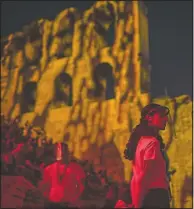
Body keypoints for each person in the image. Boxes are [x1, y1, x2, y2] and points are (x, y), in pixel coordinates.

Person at [124, 103, 171, 208]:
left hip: (149, 196)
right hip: (156, 198)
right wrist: (138, 204)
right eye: (161, 116)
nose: (166, 119)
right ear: (149, 118)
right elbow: (144, 176)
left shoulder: (141, 142)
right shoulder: (152, 143)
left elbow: (137, 177)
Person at [38, 142, 86, 208]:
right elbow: (45, 187)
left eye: (64, 150)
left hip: (70, 204)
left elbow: (81, 185)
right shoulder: (48, 169)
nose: (62, 152)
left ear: (68, 152)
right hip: (53, 204)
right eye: (59, 149)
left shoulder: (76, 168)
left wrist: (75, 198)